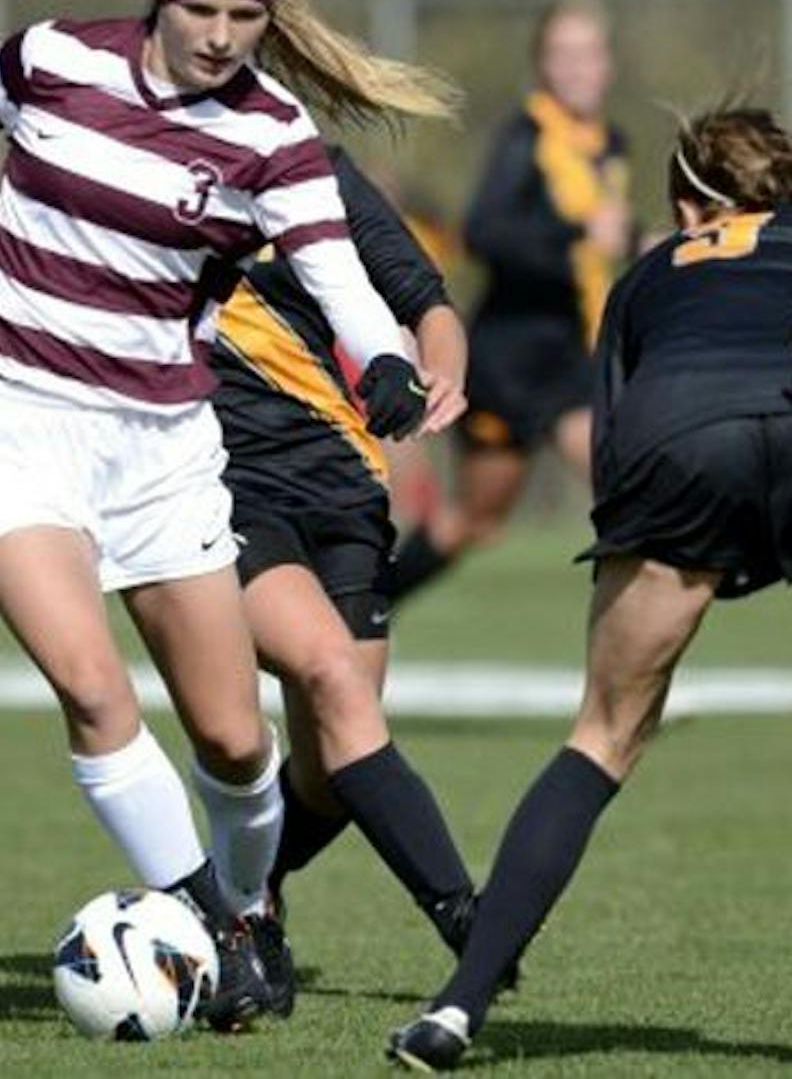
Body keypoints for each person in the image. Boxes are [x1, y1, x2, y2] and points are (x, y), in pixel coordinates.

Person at [0, 0, 455, 1031]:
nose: (222, 37)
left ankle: (250, 906)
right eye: (204, 11)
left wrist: (383, 365)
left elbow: (340, 277)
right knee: (90, 681)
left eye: (246, 20)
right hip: (11, 419)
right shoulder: (56, 57)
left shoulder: (270, 133)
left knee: (232, 738)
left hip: (162, 446)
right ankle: (209, 924)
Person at [386, 98, 792, 1074]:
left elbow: (615, 449)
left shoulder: (647, 273)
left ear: (693, 206)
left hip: (680, 441)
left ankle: (453, 1012)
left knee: (602, 734)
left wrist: (684, 553)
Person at [210, 144, 488, 986]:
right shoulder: (151, 174)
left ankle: (237, 899)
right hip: (220, 490)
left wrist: (442, 372)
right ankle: (470, 921)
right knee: (332, 674)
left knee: (331, 772)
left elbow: (427, 303)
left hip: (347, 496)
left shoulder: (319, 175)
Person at [386, 0, 636, 605]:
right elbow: (485, 233)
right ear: (543, 65)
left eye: (588, 52)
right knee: (472, 522)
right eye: (562, 54)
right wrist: (580, 233)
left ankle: (631, 668)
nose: (577, 67)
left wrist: (642, 238)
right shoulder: (526, 139)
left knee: (631, 501)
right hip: (508, 366)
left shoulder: (610, 143)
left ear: (608, 63)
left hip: (572, 364)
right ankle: (363, 608)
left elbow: (606, 235)